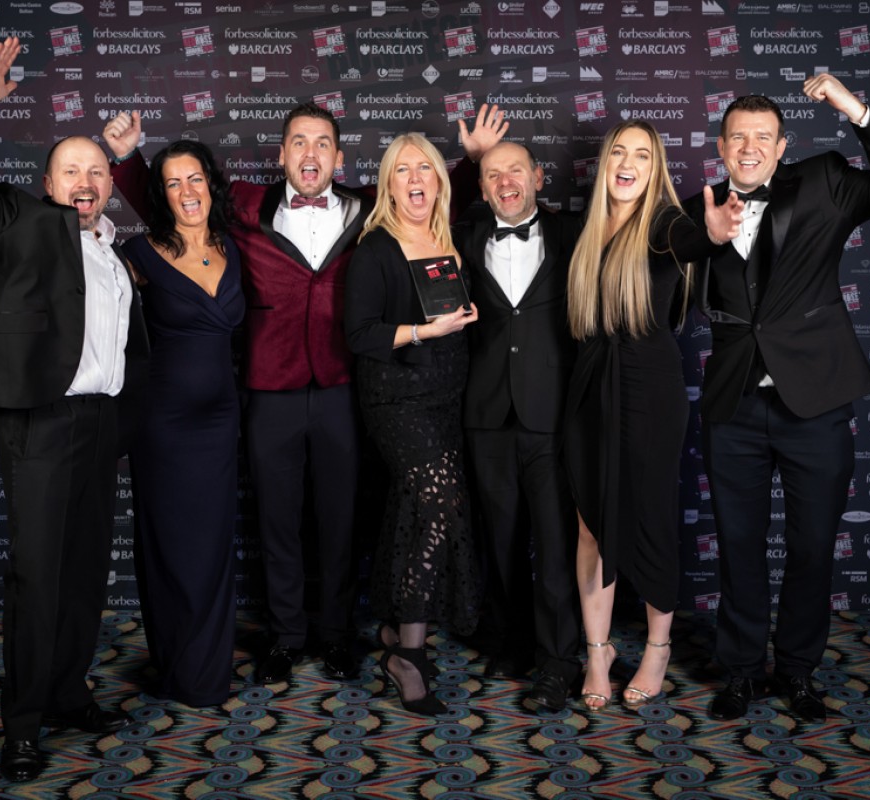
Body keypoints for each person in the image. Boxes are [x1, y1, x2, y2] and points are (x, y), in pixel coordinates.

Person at [105, 105, 506, 686]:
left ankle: (337, 634)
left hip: (345, 386)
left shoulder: (370, 208)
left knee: (340, 520)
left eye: (322, 143)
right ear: (282, 155)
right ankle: (287, 636)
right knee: (276, 521)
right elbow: (179, 208)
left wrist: (472, 164)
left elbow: (426, 198)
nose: (310, 153)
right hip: (270, 387)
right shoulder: (245, 205)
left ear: (339, 158)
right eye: (299, 142)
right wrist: (126, 160)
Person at [0, 38, 149, 782]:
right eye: (71, 171)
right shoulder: (18, 223)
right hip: (42, 422)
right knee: (37, 576)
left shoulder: (115, 250)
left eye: (97, 171)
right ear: (48, 183)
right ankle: (22, 724)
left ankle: (66, 692)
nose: (85, 181)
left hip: (101, 423)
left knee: (85, 570)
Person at [682, 74, 870, 722]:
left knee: (813, 547)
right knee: (738, 547)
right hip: (734, 407)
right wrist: (703, 236)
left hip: (815, 404)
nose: (750, 147)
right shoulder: (697, 206)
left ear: (782, 145)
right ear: (720, 146)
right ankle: (740, 672)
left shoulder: (824, 181)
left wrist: (853, 109)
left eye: (763, 137)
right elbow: (655, 255)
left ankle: (797, 671)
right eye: (738, 137)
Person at [563, 121, 742, 712]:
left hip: (650, 389)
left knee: (651, 517)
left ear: (655, 169)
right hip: (591, 386)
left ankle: (658, 648)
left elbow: (690, 241)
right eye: (619, 151)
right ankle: (598, 651)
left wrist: (712, 236)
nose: (628, 163)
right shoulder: (589, 231)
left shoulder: (665, 222)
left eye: (642, 155)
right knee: (591, 521)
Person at [344, 134, 482, 716]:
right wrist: (426, 332)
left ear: (439, 179)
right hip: (397, 399)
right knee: (438, 505)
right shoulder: (376, 247)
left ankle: (394, 622)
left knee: (414, 508)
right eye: (402, 170)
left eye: (424, 167)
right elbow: (360, 334)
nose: (415, 178)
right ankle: (409, 654)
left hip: (448, 395)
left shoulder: (451, 239)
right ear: (389, 184)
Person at [456, 142, 583, 713]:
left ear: (538, 177)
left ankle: (558, 661)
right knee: (500, 539)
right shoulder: (462, 240)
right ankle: (512, 641)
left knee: (554, 544)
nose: (505, 182)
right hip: (486, 415)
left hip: (551, 415)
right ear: (481, 188)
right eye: (492, 174)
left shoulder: (573, 235)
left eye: (515, 170)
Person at [118, 139, 244, 707]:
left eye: (194, 179)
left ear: (210, 185)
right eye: (172, 183)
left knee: (212, 547)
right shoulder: (138, 254)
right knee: (173, 546)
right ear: (161, 195)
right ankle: (177, 666)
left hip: (220, 422)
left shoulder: (233, 246)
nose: (186, 192)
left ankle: (208, 670)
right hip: (163, 427)